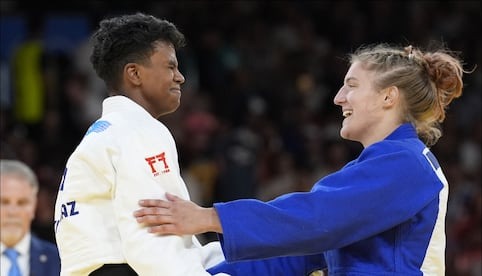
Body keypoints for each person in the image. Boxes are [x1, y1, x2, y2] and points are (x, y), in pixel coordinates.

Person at [134, 43, 467, 275]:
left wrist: (208, 218)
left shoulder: (406, 165)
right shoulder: (384, 166)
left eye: (351, 85)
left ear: (387, 96)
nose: (339, 98)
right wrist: (211, 272)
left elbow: (317, 219)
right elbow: (301, 252)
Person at [53, 13, 226, 276]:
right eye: (170, 67)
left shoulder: (103, 133)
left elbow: (175, 247)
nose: (180, 77)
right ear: (134, 73)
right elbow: (152, 242)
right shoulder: (140, 130)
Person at [1, 159, 61, 276]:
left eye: (22, 203)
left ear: (34, 206)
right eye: (4, 202)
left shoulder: (59, 260)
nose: (13, 212)